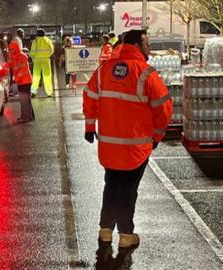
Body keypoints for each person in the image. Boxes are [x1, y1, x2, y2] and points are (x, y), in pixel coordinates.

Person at [83, 30, 173, 248]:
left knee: (111, 185)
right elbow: (164, 108)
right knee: (128, 190)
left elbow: (89, 96)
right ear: (137, 45)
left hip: (109, 146)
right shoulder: (146, 73)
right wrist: (157, 136)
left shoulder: (104, 70)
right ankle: (125, 234)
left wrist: (89, 127)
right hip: (136, 147)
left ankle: (105, 229)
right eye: (147, 44)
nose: (149, 48)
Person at [8, 40, 34, 123]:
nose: (11, 51)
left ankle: (26, 117)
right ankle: (29, 116)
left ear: (16, 48)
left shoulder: (22, 57)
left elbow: (24, 70)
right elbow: (10, 64)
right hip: (22, 81)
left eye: (12, 49)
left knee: (24, 100)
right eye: (10, 49)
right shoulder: (13, 57)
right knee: (25, 100)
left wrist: (17, 78)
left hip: (25, 81)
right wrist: (3, 68)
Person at [30, 29, 54, 97]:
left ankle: (33, 91)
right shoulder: (48, 40)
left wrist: (32, 56)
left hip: (37, 60)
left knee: (36, 76)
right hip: (46, 60)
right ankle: (49, 92)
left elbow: (32, 51)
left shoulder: (35, 41)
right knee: (47, 76)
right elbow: (52, 50)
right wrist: (48, 55)